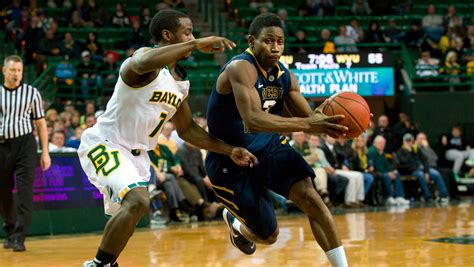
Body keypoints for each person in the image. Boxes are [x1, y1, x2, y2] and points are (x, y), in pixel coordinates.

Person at [78, 10, 257, 267]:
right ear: (167, 35)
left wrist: (229, 150)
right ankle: (98, 264)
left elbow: (187, 130)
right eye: (187, 32)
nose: (192, 37)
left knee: (131, 215)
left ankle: (107, 262)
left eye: (193, 33)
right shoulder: (143, 62)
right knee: (138, 201)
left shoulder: (180, 82)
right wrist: (196, 43)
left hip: (138, 155)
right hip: (106, 142)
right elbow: (139, 63)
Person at [205, 13, 349, 266]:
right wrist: (309, 124)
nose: (275, 48)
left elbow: (311, 118)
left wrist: (340, 123)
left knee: (312, 199)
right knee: (269, 235)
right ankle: (237, 223)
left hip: (269, 147)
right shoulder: (240, 68)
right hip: (230, 158)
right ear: (251, 41)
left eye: (280, 41)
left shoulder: (284, 74)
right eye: (268, 41)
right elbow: (253, 120)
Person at [0, 55, 51, 252]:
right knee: (3, 192)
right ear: (4, 70)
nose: (16, 74)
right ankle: (10, 229)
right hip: (2, 146)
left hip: (25, 145)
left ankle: (20, 237)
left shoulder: (32, 93)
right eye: (13, 70)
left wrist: (45, 151)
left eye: (19, 70)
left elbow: (40, 123)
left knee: (24, 192)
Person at [368, 135, 409, 205]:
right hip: (376, 173)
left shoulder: (383, 153)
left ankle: (399, 196)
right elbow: (376, 167)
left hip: (384, 172)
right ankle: (388, 197)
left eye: (384, 143)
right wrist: (388, 173)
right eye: (381, 143)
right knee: (386, 176)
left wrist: (392, 171)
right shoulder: (372, 151)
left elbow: (387, 165)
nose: (383, 145)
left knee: (396, 173)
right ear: (375, 143)